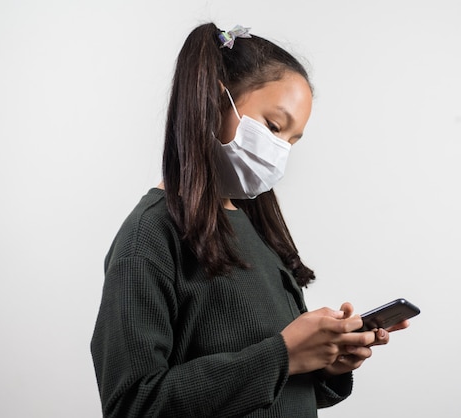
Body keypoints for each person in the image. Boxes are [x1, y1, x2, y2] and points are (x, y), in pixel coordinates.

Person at [90, 22, 409, 417]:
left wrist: (325, 364)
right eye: (274, 127)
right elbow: (131, 406)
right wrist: (282, 356)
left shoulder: (255, 230)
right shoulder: (149, 238)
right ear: (213, 99)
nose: (279, 152)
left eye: (291, 141)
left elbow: (264, 394)